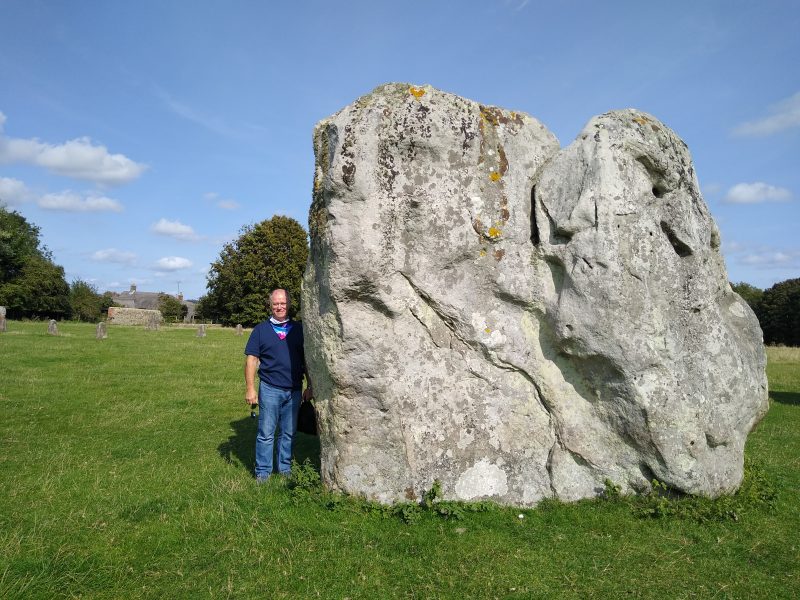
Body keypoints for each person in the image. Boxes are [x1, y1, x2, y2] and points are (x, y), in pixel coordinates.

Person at [244, 289, 312, 481]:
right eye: (275, 304)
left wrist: (310, 385)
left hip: (294, 390)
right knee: (266, 433)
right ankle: (263, 473)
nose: (279, 307)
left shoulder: (299, 329)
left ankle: (284, 469)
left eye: (282, 303)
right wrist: (250, 388)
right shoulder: (260, 330)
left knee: (288, 433)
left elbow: (307, 361)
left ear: (288, 304)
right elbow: (251, 360)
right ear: (270, 305)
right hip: (270, 388)